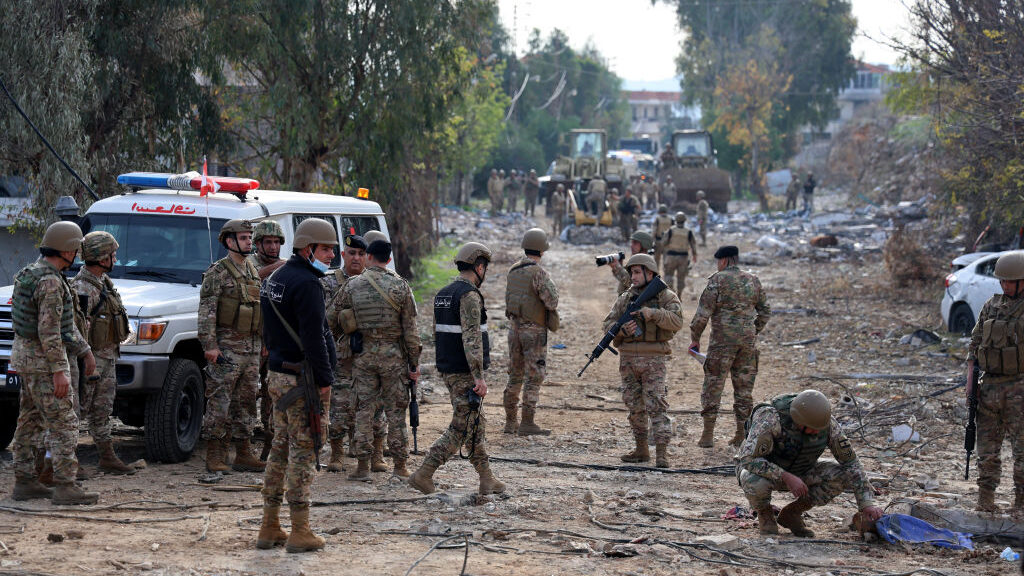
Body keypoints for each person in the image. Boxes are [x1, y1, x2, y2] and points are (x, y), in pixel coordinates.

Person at [257, 217, 338, 553]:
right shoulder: (307, 284)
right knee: (305, 452)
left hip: (277, 376)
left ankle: (269, 525)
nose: (332, 255)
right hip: (301, 380)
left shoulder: (276, 278)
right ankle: (300, 530)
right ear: (308, 250)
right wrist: (324, 381)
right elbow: (314, 339)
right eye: (326, 249)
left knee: (279, 450)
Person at [9, 221, 99, 505]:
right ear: (67, 250)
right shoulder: (50, 281)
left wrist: (84, 351)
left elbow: (62, 327)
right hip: (45, 363)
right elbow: (49, 331)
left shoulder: (31, 272)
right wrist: (60, 371)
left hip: (26, 359)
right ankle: (65, 485)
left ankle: (24, 481)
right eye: (76, 249)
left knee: (30, 421)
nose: (78, 255)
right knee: (64, 423)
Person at [408, 243, 506, 495]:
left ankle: (487, 478)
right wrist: (479, 377)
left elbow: (435, 334)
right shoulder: (469, 295)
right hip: (464, 372)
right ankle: (424, 472)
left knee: (475, 424)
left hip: (449, 368)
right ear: (479, 267)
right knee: (462, 426)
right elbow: (471, 338)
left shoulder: (443, 293)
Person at [737, 389, 883, 536]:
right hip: (767, 473)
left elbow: (851, 463)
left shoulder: (826, 423)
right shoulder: (770, 417)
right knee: (752, 480)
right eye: (811, 429)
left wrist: (866, 504)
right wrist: (785, 476)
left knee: (841, 475)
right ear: (797, 419)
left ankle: (792, 513)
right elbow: (748, 459)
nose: (815, 433)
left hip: (802, 471)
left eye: (818, 430)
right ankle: (765, 514)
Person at [336, 239, 421, 480]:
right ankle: (401, 466)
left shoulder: (353, 285)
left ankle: (363, 466)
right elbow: (411, 331)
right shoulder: (401, 286)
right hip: (394, 358)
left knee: (364, 409)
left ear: (369, 256)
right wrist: (413, 364)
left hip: (363, 356)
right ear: (389, 259)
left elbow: (333, 319)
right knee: (395, 412)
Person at [602, 254, 683, 467]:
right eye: (631, 272)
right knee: (634, 405)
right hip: (628, 358)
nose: (633, 277)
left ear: (650, 273)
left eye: (637, 272)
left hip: (654, 359)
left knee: (656, 404)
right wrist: (620, 329)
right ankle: (641, 449)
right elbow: (608, 323)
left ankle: (662, 454)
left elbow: (677, 321)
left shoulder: (666, 296)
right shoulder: (625, 298)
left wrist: (653, 314)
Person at [198, 220, 266, 473]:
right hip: (226, 349)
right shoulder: (218, 272)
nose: (249, 241)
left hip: (250, 349)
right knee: (220, 402)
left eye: (250, 237)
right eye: (244, 237)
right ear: (229, 241)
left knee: (246, 401)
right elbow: (207, 311)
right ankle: (215, 454)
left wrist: (262, 344)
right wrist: (210, 345)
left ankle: (244, 452)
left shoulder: (250, 269)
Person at [689, 246, 770, 448]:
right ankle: (741, 434)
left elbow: (702, 315)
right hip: (747, 343)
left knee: (713, 386)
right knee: (744, 389)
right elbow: (765, 311)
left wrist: (695, 338)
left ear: (724, 261)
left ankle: (707, 435)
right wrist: (753, 331)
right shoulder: (753, 280)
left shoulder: (717, 280)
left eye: (718, 262)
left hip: (721, 343)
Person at [967, 250, 1024, 515]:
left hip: (1019, 389)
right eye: (1002, 281)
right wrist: (971, 386)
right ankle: (985, 501)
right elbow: (974, 347)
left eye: (1010, 281)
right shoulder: (991, 306)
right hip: (989, 389)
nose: (1005, 285)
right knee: (987, 452)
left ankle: (1020, 504)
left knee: (1021, 453)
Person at [72, 231, 134, 475]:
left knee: (102, 410)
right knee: (77, 411)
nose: (115, 259)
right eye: (112, 255)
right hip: (90, 360)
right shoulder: (82, 288)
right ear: (100, 257)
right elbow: (77, 328)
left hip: (107, 356)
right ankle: (64, 462)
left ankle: (107, 456)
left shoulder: (104, 283)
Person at [503, 228, 560, 436]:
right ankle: (527, 422)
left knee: (515, 375)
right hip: (534, 332)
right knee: (534, 376)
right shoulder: (538, 273)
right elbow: (552, 301)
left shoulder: (513, 270)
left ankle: (510, 422)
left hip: (514, 330)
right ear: (542, 251)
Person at [248, 220, 286, 460]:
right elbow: (249, 280)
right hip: (249, 341)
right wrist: (276, 268)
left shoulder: (284, 268)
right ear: (258, 244)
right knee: (246, 394)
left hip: (275, 341)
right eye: (268, 242)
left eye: (276, 243)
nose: (273, 248)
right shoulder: (249, 264)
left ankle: (270, 443)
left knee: (273, 395)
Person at [661, 212, 698, 293]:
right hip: (683, 258)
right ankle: (679, 294)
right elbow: (693, 245)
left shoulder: (671, 230)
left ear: (676, 220)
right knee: (681, 277)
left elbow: (663, 243)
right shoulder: (688, 232)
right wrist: (694, 255)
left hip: (671, 257)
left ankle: (671, 292)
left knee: (668, 275)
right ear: (684, 221)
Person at [652, 205, 673, 274]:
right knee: (666, 260)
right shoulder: (671, 219)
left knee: (656, 260)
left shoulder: (657, 219)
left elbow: (654, 231)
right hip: (667, 242)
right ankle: (667, 274)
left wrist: (652, 241)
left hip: (658, 241)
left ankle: (655, 274)